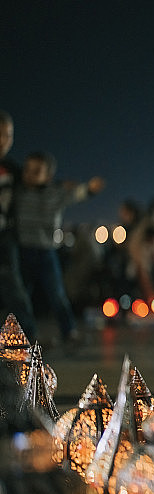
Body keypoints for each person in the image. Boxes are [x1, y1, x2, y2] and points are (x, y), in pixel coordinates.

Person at [16, 151, 104, 344]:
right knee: (21, 295)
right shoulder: (19, 192)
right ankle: (24, 334)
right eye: (28, 170)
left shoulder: (55, 194)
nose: (30, 174)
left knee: (56, 293)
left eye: (36, 171)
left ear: (48, 175)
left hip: (46, 251)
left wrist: (90, 188)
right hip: (22, 250)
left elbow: (75, 195)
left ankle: (69, 331)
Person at [0, 110, 37, 338]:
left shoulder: (12, 170)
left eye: (8, 135)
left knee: (14, 289)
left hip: (5, 237)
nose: (4, 140)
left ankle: (27, 339)